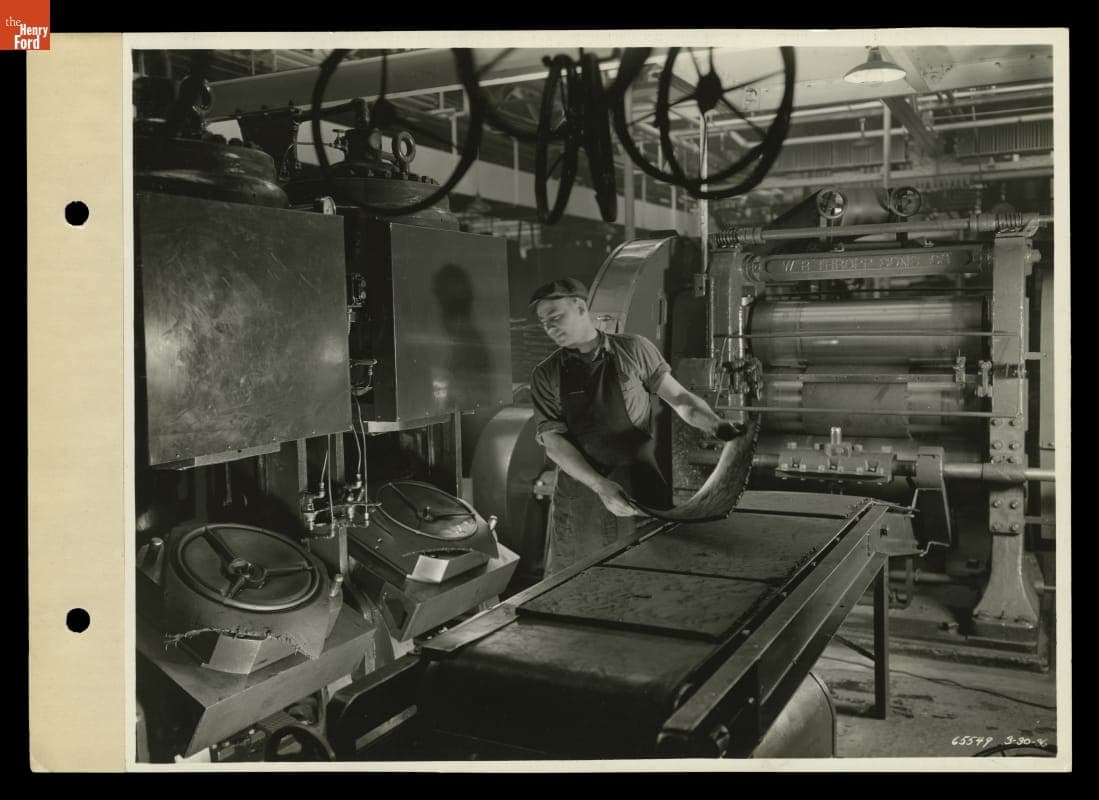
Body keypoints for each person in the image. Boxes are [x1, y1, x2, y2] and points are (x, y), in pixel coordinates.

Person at [529, 277, 743, 575]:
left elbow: (679, 398)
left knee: (645, 579)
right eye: (543, 323)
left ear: (580, 307)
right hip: (583, 495)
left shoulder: (634, 349)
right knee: (577, 585)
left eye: (556, 317)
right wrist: (600, 486)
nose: (550, 327)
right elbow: (553, 441)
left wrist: (716, 425)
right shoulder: (545, 375)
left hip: (639, 487)